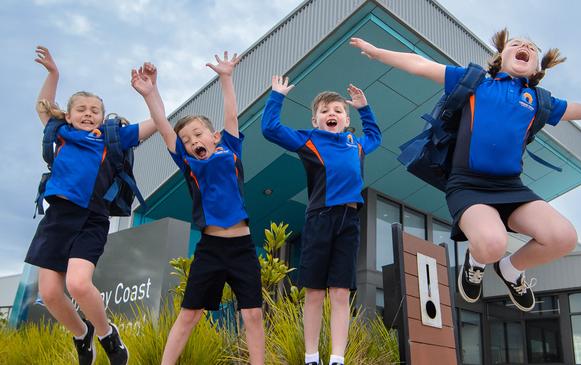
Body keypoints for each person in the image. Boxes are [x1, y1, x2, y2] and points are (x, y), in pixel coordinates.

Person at [350, 30, 581, 312]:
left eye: (532, 49)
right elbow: (421, 65)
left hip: (511, 187)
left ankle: (511, 269)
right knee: (492, 244)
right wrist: (378, 53)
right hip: (468, 185)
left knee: (564, 237)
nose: (526, 48)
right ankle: (476, 263)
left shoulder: (539, 101)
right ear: (501, 56)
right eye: (518, 44)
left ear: (535, 69)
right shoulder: (476, 82)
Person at [25, 46, 157, 365]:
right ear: (68, 115)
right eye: (81, 109)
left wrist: (150, 92)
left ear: (102, 115)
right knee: (51, 294)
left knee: (78, 283)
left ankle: (106, 334)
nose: (87, 113)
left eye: (94, 109)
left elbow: (156, 122)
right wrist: (54, 74)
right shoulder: (61, 134)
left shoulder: (112, 137)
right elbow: (43, 106)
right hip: (57, 218)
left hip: (92, 218)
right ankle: (81, 334)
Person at [131, 52, 265, 365]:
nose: (193, 141)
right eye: (187, 140)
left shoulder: (229, 147)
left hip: (243, 247)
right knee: (190, 314)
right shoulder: (189, 163)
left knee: (253, 314)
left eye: (198, 134)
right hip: (211, 249)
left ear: (214, 136)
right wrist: (151, 93)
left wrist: (226, 78)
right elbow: (164, 127)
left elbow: (231, 114)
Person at [261, 76, 381, 365]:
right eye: (325, 111)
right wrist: (277, 96)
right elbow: (270, 129)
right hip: (320, 219)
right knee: (314, 292)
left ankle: (337, 359)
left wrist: (365, 108)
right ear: (315, 120)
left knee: (340, 292)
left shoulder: (356, 144)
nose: (332, 114)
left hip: (349, 221)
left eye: (338, 110)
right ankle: (311, 357)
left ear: (345, 119)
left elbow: (375, 137)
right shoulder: (309, 139)